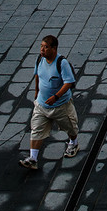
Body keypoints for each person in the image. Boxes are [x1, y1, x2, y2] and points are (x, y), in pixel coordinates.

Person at [18, 33, 79, 169]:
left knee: (70, 127)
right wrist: (36, 93)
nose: (42, 50)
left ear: (54, 48)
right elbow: (38, 76)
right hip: (41, 105)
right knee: (36, 129)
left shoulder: (62, 63)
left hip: (60, 105)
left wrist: (56, 96)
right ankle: (33, 158)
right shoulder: (40, 60)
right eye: (41, 47)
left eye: (45, 47)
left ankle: (73, 142)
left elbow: (68, 82)